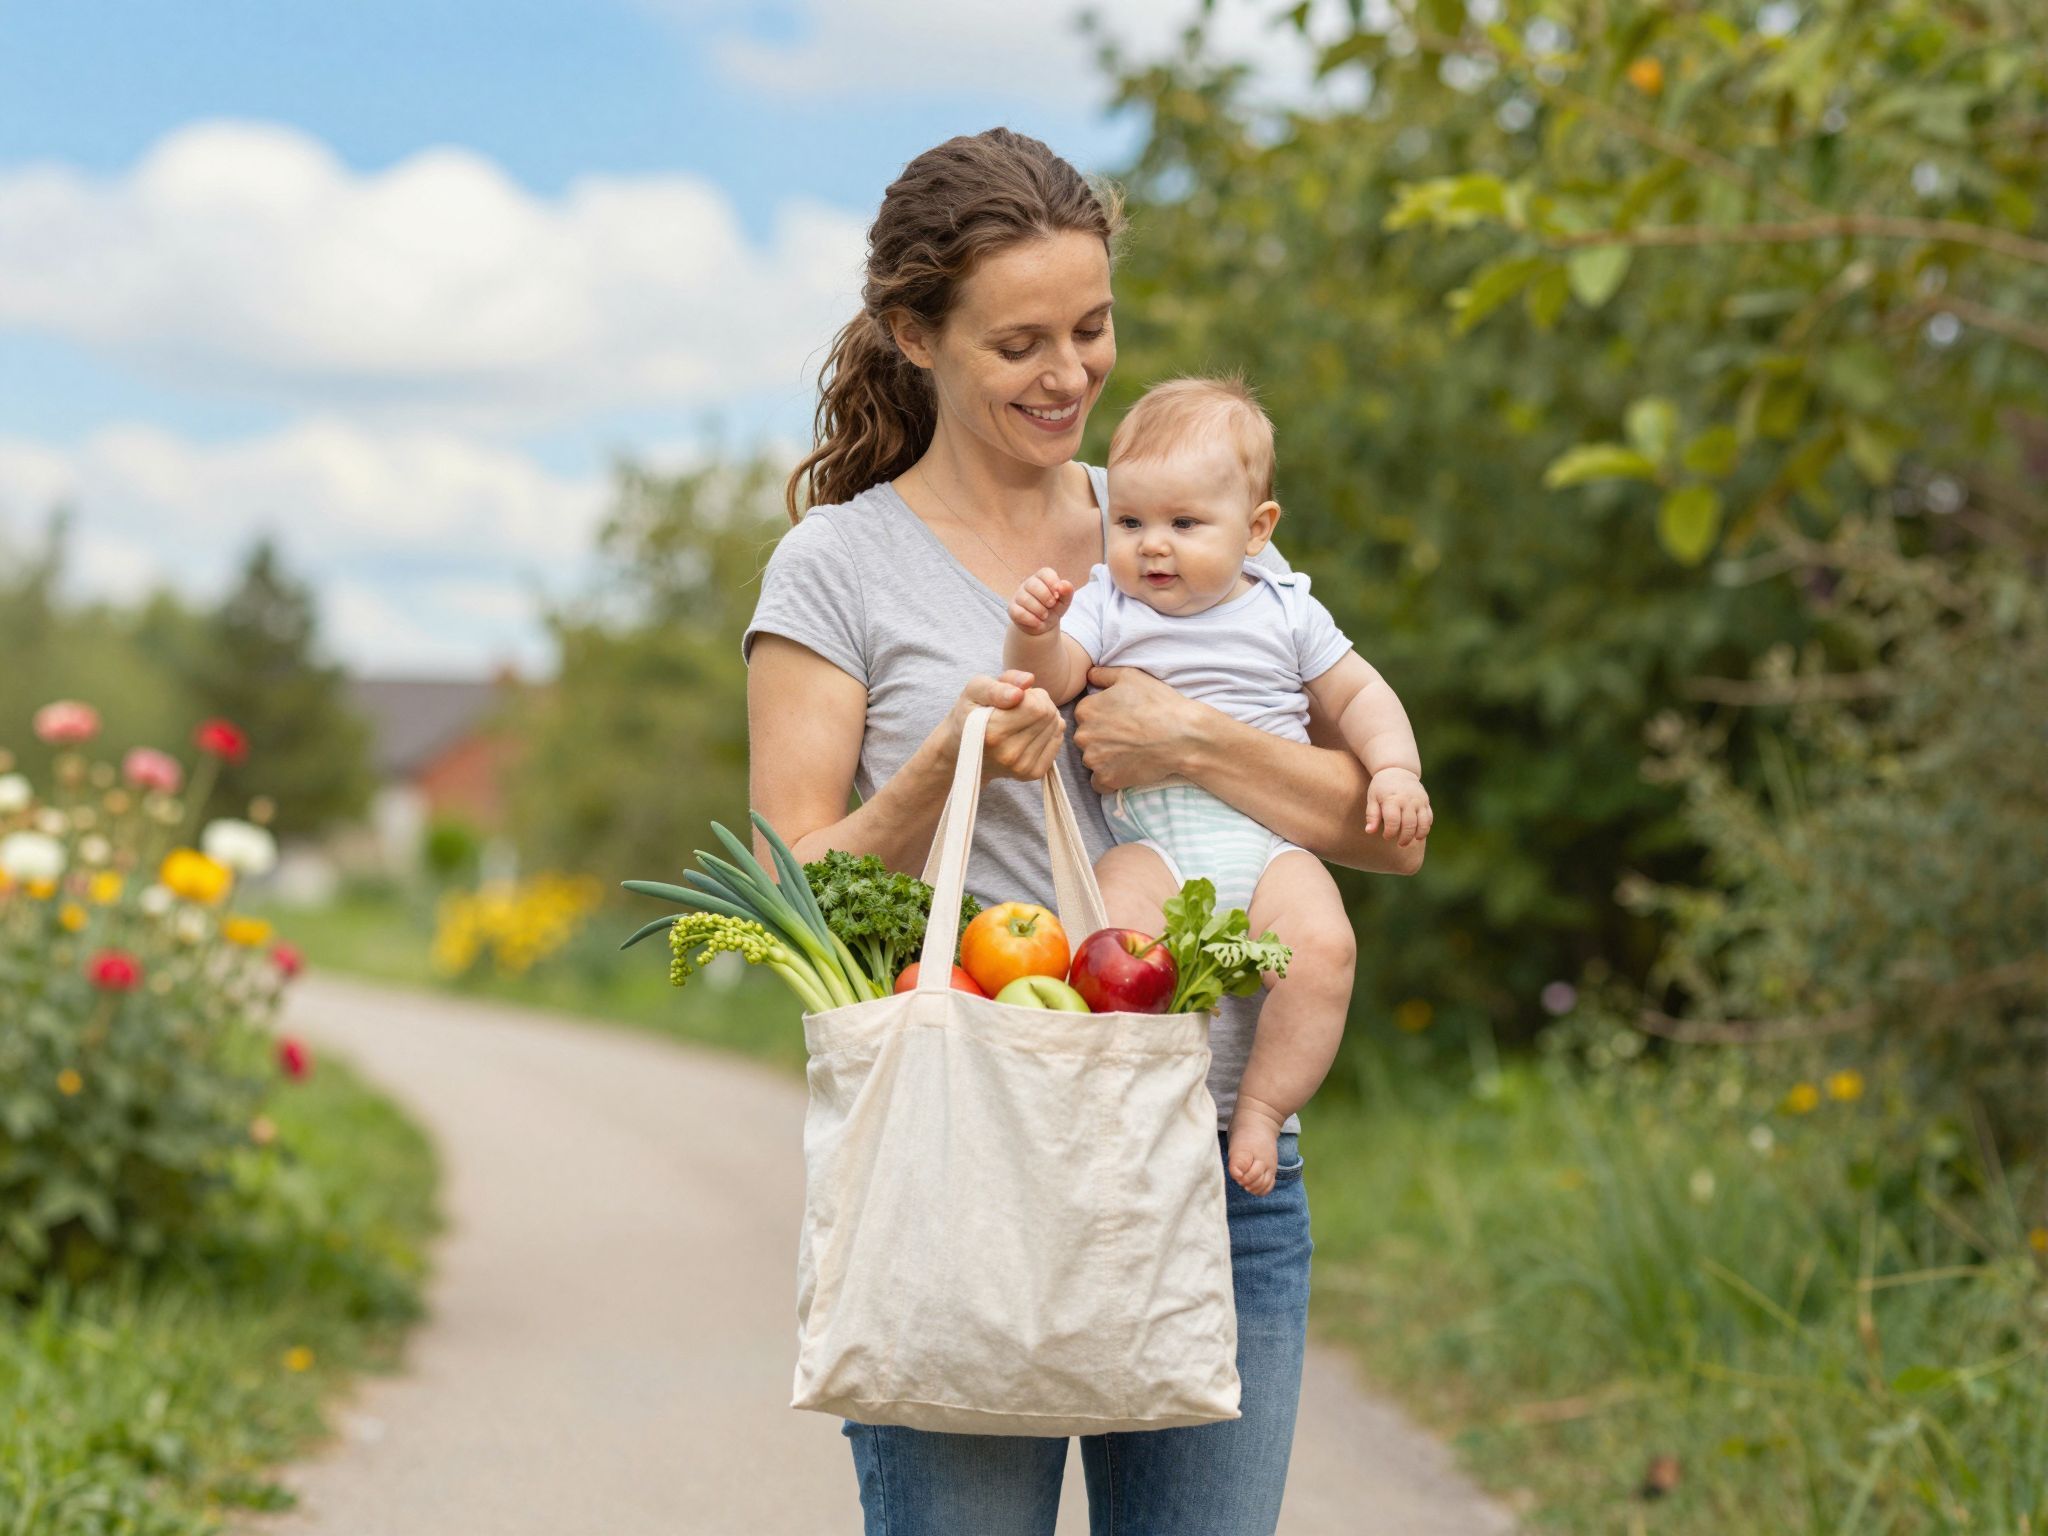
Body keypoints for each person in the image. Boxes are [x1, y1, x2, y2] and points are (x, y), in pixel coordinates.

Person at [742, 126, 1425, 1536]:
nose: (1070, 377)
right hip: (971, 1168)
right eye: (1022, 343)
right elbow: (786, 899)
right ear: (912, 334)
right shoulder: (840, 567)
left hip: (1214, 1170)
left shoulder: (1177, 516)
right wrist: (950, 761)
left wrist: (1194, 742)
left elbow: (1384, 833)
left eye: (1095, 329)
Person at [1004, 374, 1431, 1199]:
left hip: (1269, 847)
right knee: (1102, 936)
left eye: (1184, 524)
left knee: (1326, 950)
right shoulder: (1110, 604)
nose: (1151, 546)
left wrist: (1396, 769)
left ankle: (1264, 1109)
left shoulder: (1287, 609)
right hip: (1153, 843)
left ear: (1257, 531)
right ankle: (1125, 1118)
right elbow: (1054, 677)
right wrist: (1034, 633)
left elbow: (1360, 694)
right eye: (1128, 522)